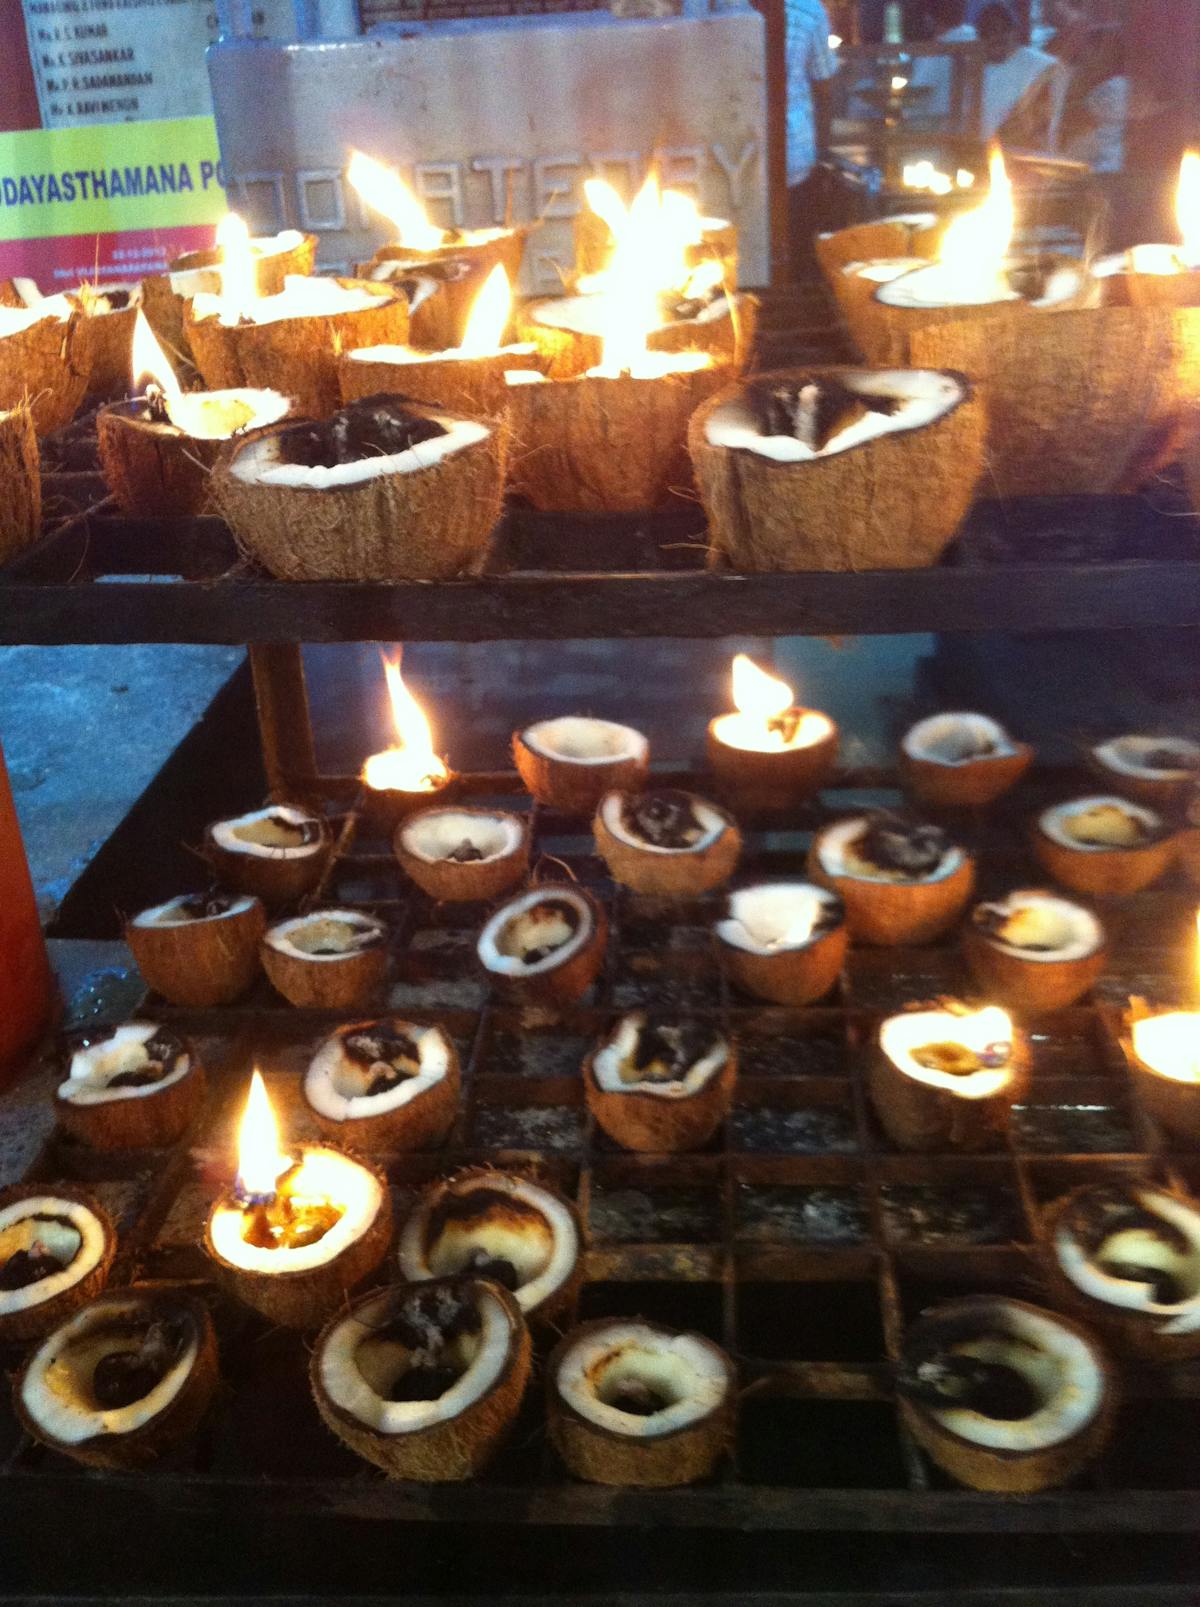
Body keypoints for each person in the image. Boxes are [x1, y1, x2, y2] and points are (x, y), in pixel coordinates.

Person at [785, 0, 839, 265]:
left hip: (731, 149)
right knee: (797, 250)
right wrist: (823, 152)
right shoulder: (808, 9)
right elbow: (825, 84)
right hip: (794, 150)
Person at [976, 1, 1060, 142]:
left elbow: (1043, 120)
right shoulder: (973, 69)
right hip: (976, 153)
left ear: (1014, 30)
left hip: (1025, 152)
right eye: (988, 32)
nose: (995, 37)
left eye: (1003, 29)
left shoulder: (1042, 66)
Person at [907, 0, 978, 122]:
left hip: (935, 135)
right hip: (968, 133)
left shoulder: (934, 55)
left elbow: (910, 107)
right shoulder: (975, 38)